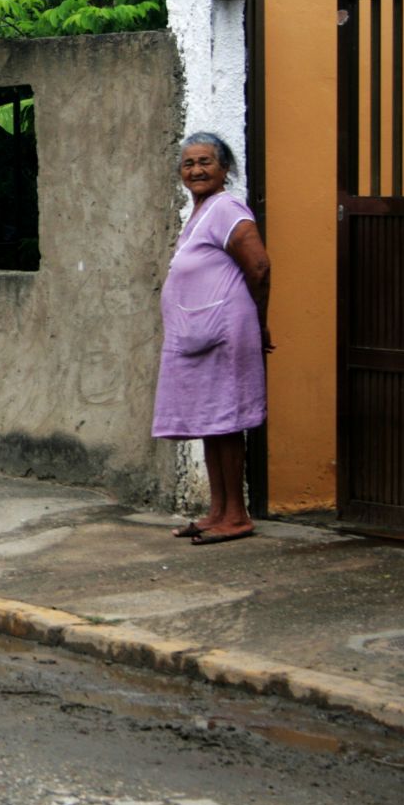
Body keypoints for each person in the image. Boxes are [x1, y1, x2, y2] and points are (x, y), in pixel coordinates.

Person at [152, 132, 272, 546]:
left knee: (226, 423)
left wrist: (259, 322)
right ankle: (217, 512)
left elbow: (258, 266)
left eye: (205, 162)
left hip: (224, 334)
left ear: (224, 169)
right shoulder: (202, 211)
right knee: (212, 424)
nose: (196, 170)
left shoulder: (226, 208)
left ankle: (236, 516)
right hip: (202, 336)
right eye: (188, 164)